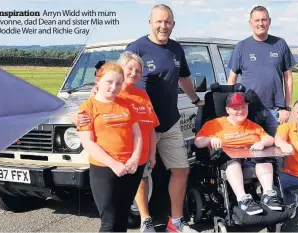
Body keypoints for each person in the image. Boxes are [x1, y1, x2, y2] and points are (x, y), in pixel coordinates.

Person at [124, 4, 202, 233]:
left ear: (173, 24)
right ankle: (146, 221)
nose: (163, 26)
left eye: (167, 22)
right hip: (143, 124)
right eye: (159, 21)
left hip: (170, 122)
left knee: (181, 169)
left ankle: (175, 222)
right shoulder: (137, 47)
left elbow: (184, 77)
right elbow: (122, 79)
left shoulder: (176, 49)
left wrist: (196, 100)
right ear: (150, 23)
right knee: (142, 173)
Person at [74, 52, 160, 232]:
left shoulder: (135, 99)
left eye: (138, 70)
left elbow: (143, 131)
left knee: (122, 218)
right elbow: (88, 137)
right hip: (107, 166)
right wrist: (114, 164)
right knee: (109, 221)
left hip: (132, 164)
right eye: (130, 69)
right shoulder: (96, 99)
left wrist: (140, 157)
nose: (114, 87)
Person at [194, 92, 283, 215]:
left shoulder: (252, 125)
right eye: (236, 108)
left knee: (263, 157)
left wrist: (262, 143)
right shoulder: (215, 124)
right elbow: (198, 142)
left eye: (243, 107)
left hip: (250, 156)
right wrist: (210, 139)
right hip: (227, 157)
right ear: (227, 110)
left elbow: (270, 139)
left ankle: (268, 195)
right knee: (232, 162)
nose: (240, 111)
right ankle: (243, 199)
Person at [227, 5, 296, 137]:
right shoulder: (241, 47)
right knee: (250, 152)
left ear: (269, 21)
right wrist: (233, 109)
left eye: (264, 20)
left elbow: (288, 78)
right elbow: (231, 80)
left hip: (276, 111)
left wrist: (286, 108)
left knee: (278, 151)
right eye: (257, 20)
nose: (260, 23)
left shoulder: (280, 44)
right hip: (247, 110)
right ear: (250, 23)